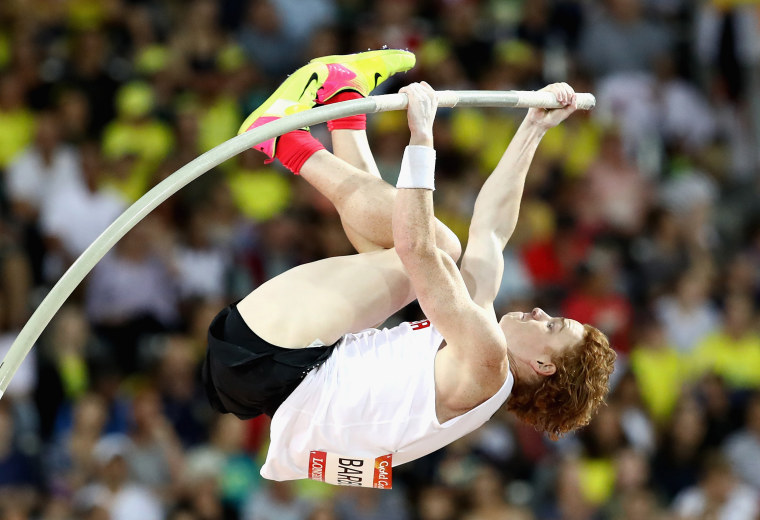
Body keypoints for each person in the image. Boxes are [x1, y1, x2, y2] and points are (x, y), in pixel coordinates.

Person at [202, 50, 617, 487]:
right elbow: (492, 230)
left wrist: (421, 136)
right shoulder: (477, 347)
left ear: (542, 365)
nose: (539, 313)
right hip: (282, 366)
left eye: (552, 328)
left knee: (434, 248)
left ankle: (279, 138)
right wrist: (534, 126)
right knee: (409, 253)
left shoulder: (487, 362)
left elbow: (418, 247)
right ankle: (343, 101)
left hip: (273, 358)